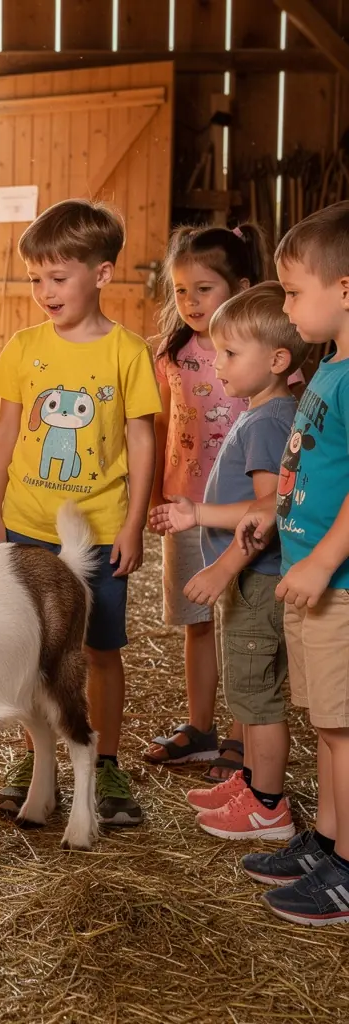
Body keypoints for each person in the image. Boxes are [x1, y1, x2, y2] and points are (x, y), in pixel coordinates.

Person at [0, 199, 161, 827]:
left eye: (58, 278)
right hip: (29, 524)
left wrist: (135, 523)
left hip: (101, 530)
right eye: (35, 279)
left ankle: (104, 760)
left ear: (102, 274)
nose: (44, 292)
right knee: (34, 649)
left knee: (100, 649)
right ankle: (37, 761)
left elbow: (143, 440)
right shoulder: (24, 347)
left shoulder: (129, 353)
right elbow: (3, 434)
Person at [150, 282, 304, 839]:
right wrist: (197, 515)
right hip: (252, 577)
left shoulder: (267, 420)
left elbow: (268, 510)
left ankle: (267, 805)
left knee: (256, 698)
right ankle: (248, 780)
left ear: (277, 360)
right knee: (245, 689)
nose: (217, 364)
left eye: (231, 354)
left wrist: (220, 565)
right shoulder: (264, 411)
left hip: (255, 577)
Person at [232, 202, 349, 925]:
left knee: (344, 730)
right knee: (329, 727)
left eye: (295, 292)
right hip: (317, 581)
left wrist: (319, 561)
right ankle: (329, 843)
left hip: (337, 583)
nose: (287, 306)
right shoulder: (331, 367)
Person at [145, 224, 277, 780]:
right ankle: (200, 727)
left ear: (241, 288)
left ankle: (241, 738)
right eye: (179, 290)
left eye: (204, 288)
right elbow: (158, 423)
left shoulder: (263, 353)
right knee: (196, 622)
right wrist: (154, 491)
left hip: (244, 515)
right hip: (184, 504)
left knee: (242, 625)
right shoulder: (172, 353)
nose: (190, 302)